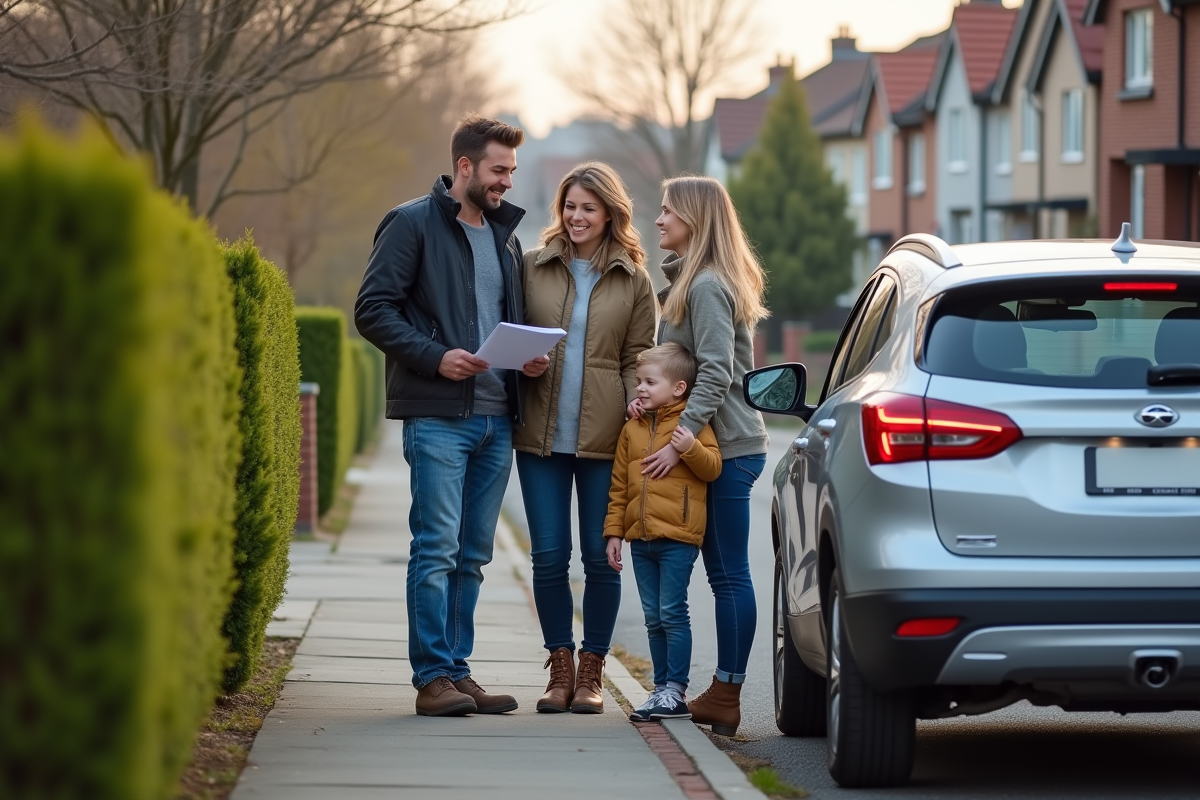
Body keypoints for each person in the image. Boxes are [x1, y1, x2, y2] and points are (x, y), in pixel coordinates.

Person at [354, 114, 550, 717]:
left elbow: (498, 324)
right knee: (436, 547)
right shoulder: (411, 223)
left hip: (497, 419)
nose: (506, 183)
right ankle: (431, 676)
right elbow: (373, 310)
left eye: (512, 172)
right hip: (439, 416)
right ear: (464, 166)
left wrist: (527, 362)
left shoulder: (506, 238)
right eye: (498, 170)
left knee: (473, 555)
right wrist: (437, 358)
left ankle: (458, 672)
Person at [629, 176, 770, 736]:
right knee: (722, 575)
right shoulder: (694, 279)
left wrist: (677, 433)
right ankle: (718, 693)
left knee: (729, 575)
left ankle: (728, 693)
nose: (659, 220)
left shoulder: (709, 285)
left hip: (727, 447)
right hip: (711, 444)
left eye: (667, 212)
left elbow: (714, 370)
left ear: (694, 218)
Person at [514, 161, 657, 714]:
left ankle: (593, 670)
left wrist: (634, 412)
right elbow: (515, 336)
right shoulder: (532, 267)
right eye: (570, 206)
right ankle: (560, 668)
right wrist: (522, 364)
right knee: (549, 558)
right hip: (540, 439)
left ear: (609, 214)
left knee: (602, 562)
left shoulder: (633, 279)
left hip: (607, 442)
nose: (576, 217)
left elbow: (636, 359)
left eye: (588, 208)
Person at [604, 343, 722, 721]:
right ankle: (660, 690)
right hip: (641, 539)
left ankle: (675, 690)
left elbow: (712, 468)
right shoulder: (631, 430)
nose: (640, 388)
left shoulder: (693, 423)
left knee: (672, 612)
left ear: (678, 388)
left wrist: (689, 449)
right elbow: (620, 487)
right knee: (652, 617)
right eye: (639, 381)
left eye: (649, 382)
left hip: (677, 537)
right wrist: (614, 534)